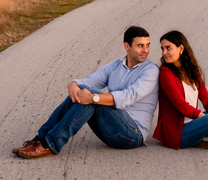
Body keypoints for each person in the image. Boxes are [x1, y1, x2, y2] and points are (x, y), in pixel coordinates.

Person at [14, 26, 159, 159]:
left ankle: (51, 144)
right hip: (111, 129)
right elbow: (91, 80)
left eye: (147, 45)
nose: (145, 50)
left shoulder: (151, 71)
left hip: (132, 135)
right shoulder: (116, 66)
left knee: (91, 97)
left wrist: (93, 98)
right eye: (140, 46)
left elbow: (127, 97)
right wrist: (74, 84)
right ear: (127, 46)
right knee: (84, 90)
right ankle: (40, 139)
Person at [152, 30, 208, 151]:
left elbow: (207, 100)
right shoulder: (166, 73)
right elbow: (181, 106)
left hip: (193, 122)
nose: (164, 53)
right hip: (178, 131)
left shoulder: (192, 71)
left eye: (168, 48)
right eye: (162, 48)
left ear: (181, 48)